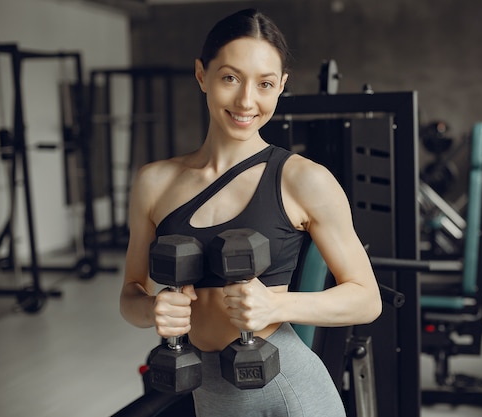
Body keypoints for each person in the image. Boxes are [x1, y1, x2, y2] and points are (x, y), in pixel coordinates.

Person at [120, 8, 382, 417]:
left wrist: (278, 307)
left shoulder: (303, 179)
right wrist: (153, 309)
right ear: (201, 75)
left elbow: (367, 300)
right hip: (207, 392)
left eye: (264, 84)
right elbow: (130, 295)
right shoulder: (154, 182)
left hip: (290, 392)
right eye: (230, 78)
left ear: (281, 87)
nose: (247, 100)